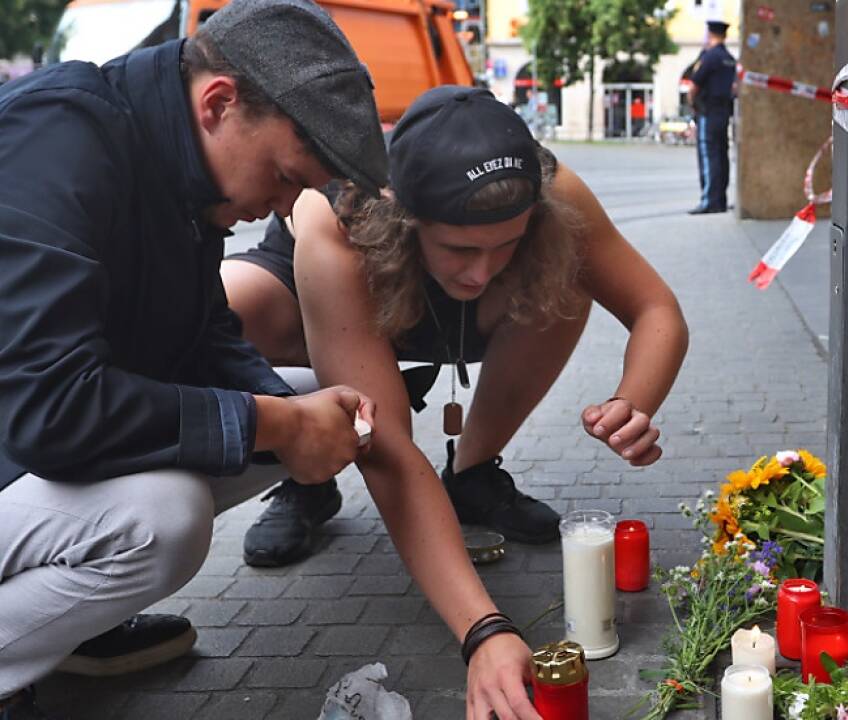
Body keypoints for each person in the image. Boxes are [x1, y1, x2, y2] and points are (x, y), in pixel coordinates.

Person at [0, 3, 536, 719]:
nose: (287, 207)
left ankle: (65, 628)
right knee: (165, 519)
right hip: (23, 433)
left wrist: (287, 415)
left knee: (322, 398)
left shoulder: (175, 155)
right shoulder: (55, 141)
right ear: (219, 103)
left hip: (29, 444)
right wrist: (273, 424)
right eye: (286, 176)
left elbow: (204, 337)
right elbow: (51, 409)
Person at [222, 87, 688, 579]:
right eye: (460, 249)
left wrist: (633, 403)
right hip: (330, 298)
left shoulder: (554, 190)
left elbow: (657, 309)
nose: (480, 272)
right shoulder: (339, 210)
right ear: (404, 218)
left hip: (467, 320)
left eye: (507, 243)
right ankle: (306, 473)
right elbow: (389, 447)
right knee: (231, 306)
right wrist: (480, 624)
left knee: (568, 275)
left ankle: (472, 473)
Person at [688, 20, 737, 215]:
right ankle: (720, 200)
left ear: (710, 35)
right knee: (721, 156)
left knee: (708, 156)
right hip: (723, 112)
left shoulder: (709, 57)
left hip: (708, 112)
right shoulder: (729, 58)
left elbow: (694, 85)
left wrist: (692, 105)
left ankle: (709, 201)